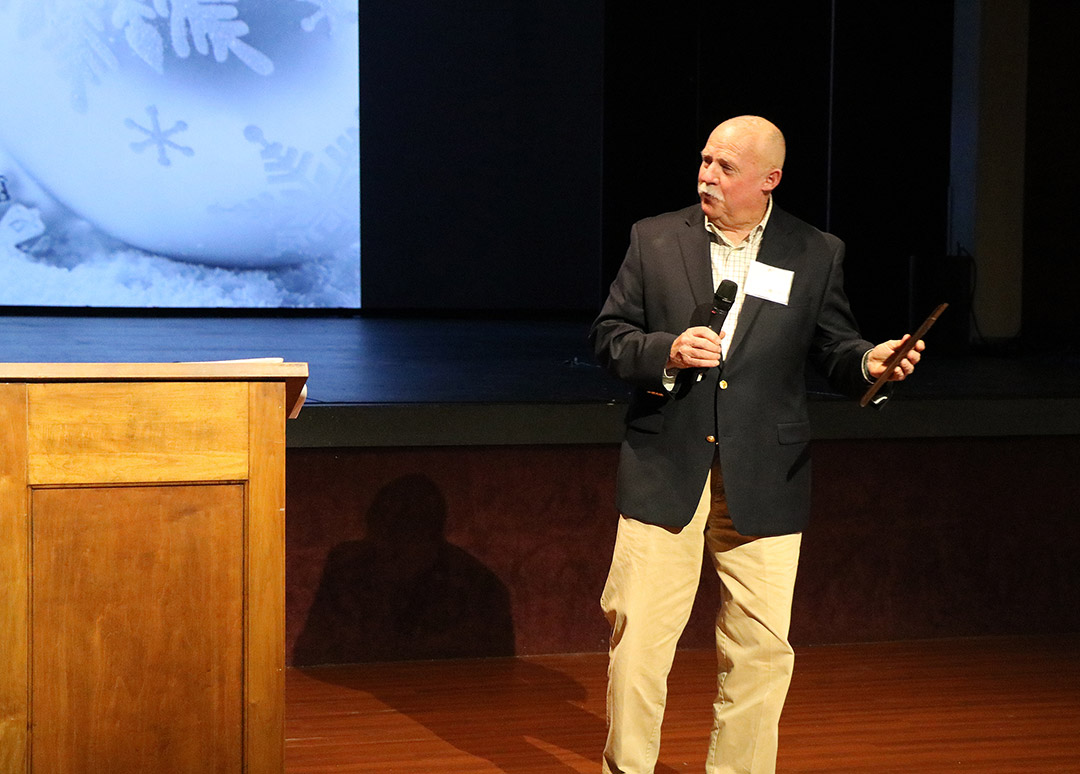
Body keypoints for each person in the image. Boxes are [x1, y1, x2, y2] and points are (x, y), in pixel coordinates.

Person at [589, 115, 924, 774]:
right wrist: (667, 350)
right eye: (705, 161)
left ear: (770, 179)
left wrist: (870, 366)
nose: (706, 176)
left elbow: (835, 347)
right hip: (667, 465)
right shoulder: (655, 239)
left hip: (767, 472)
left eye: (726, 167)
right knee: (639, 648)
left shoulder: (814, 250)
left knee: (760, 652)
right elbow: (609, 334)